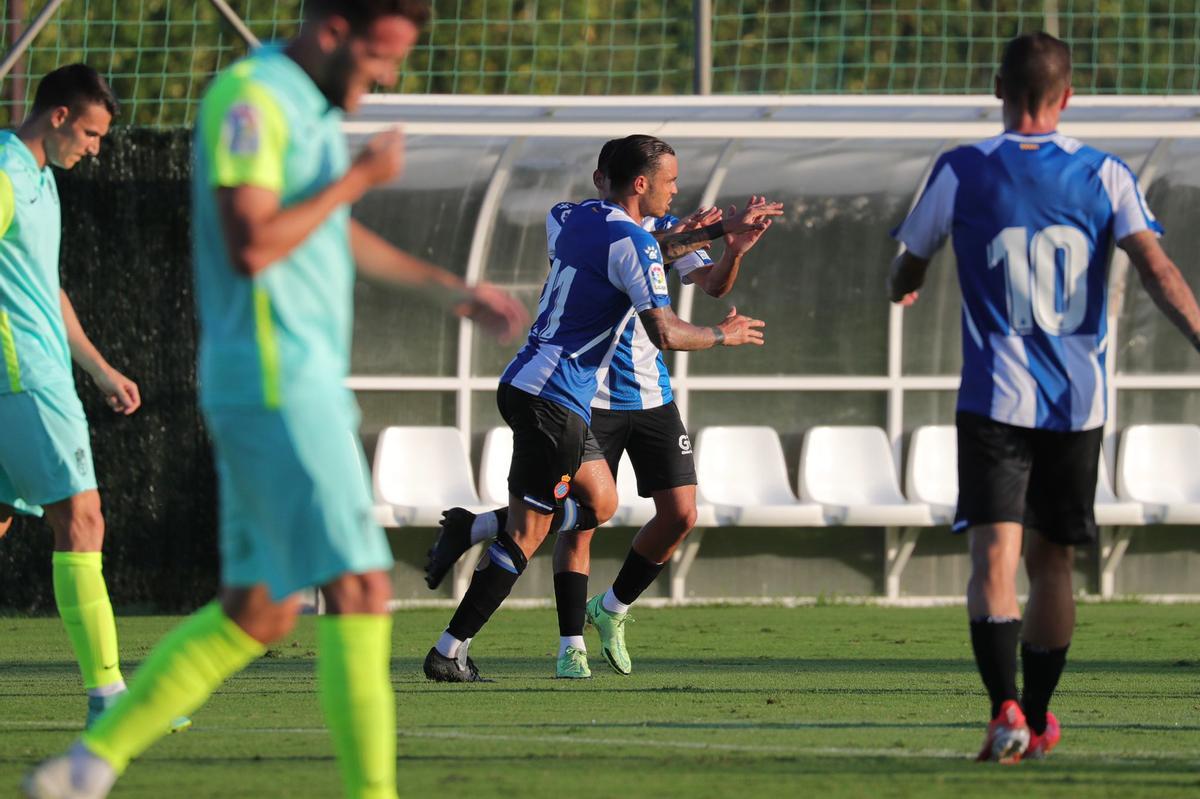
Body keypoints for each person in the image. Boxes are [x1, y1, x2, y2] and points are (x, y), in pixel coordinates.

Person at [24, 2, 526, 798]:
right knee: (359, 589)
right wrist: (359, 177)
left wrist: (450, 290)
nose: (387, 78)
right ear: (333, 32)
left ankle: (89, 764)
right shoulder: (253, 99)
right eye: (379, 59)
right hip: (274, 378)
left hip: (294, 382)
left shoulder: (311, 109)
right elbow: (253, 238)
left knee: (257, 612)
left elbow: (327, 229)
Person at [889, 32, 1200, 763]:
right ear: (1066, 98)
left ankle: (1003, 711)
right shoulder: (1105, 174)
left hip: (994, 398)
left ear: (999, 88)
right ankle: (1037, 713)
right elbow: (1157, 269)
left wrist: (904, 281)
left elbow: (908, 262)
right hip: (1076, 405)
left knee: (994, 554)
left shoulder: (962, 170)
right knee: (1052, 563)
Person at [425, 138, 781, 678]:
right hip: (562, 395)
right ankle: (451, 649)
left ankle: (470, 548)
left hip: (528, 383)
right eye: (670, 180)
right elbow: (662, 328)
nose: (677, 189)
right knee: (536, 529)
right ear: (641, 184)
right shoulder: (635, 244)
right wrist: (721, 335)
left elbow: (645, 244)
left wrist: (716, 236)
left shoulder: (570, 216)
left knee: (596, 505)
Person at [0, 64, 190, 734]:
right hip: (23, 380)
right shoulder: (3, 171)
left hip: (38, 374)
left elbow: (43, 287)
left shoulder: (43, 181)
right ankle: (111, 694)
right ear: (56, 116)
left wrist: (102, 369)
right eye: (89, 132)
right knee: (82, 518)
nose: (96, 148)